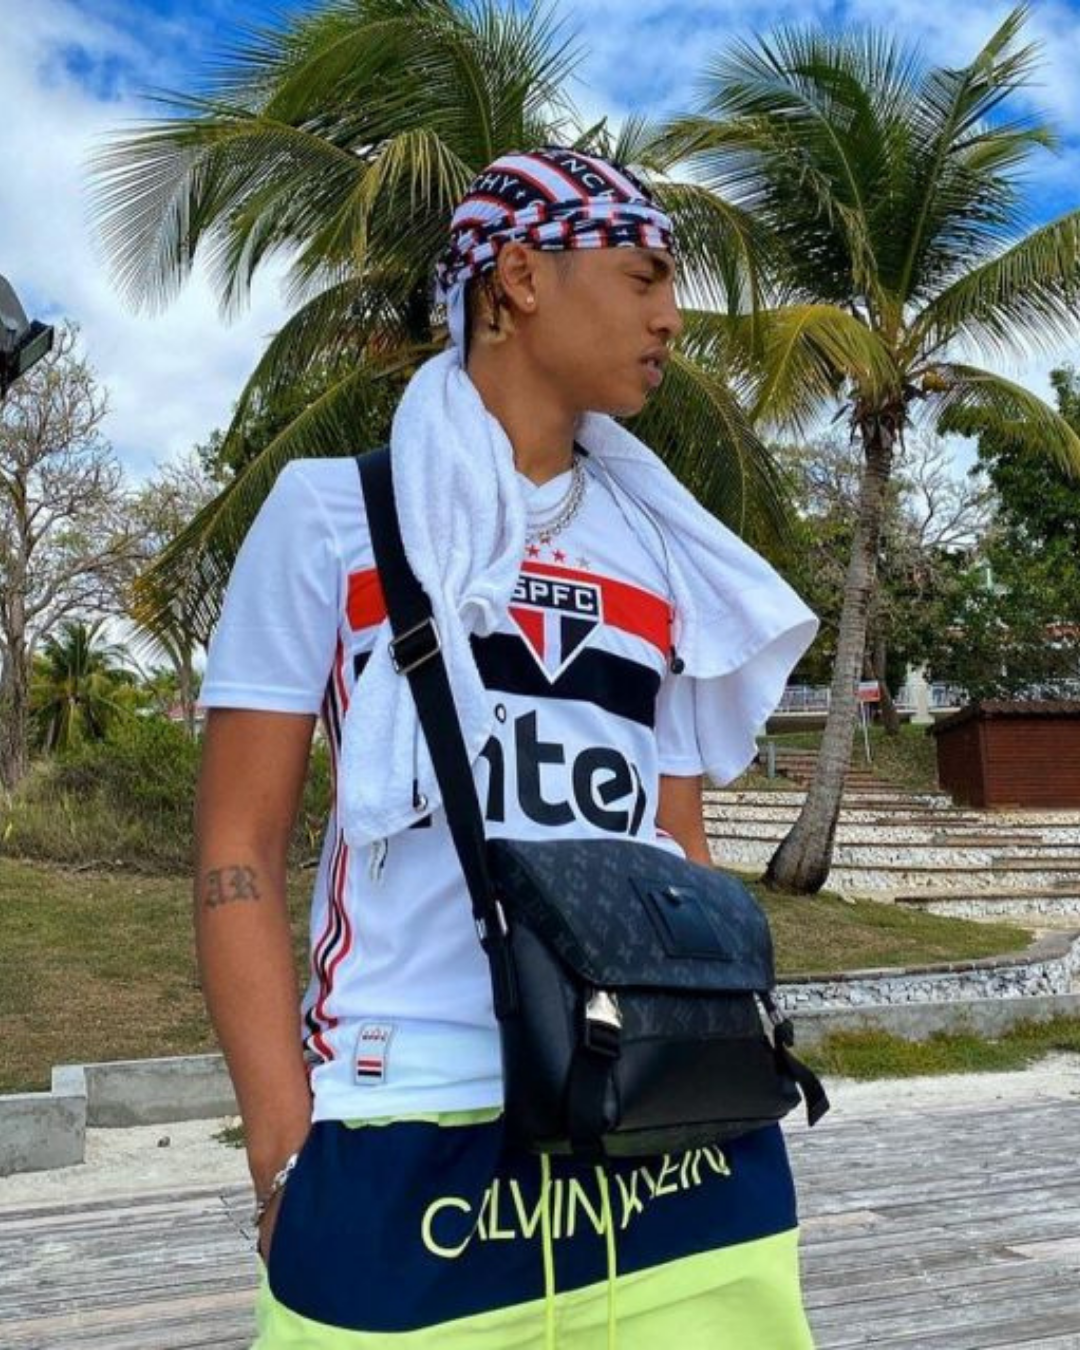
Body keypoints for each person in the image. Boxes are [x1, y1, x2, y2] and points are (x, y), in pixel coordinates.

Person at [195, 145, 819, 1350]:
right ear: (520, 279)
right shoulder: (334, 514)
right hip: (408, 1131)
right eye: (642, 275)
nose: (671, 317)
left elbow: (674, 845)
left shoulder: (665, 550)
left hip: (670, 1135)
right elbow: (236, 848)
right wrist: (282, 1160)